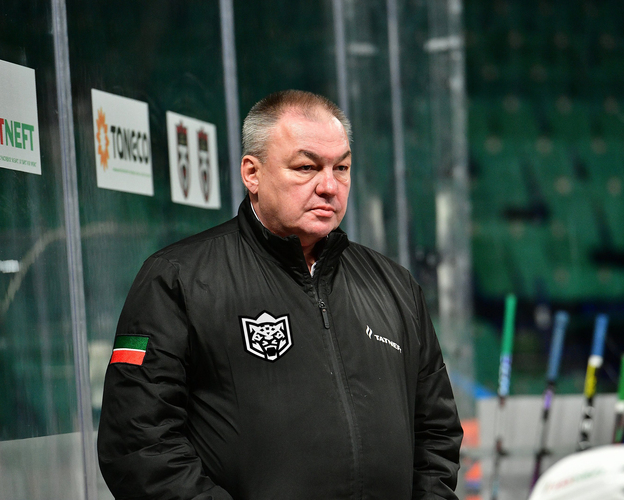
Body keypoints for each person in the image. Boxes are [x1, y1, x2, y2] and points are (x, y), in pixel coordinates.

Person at [97, 89, 463, 500]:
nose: (330, 186)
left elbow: (437, 434)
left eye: (341, 168)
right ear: (252, 173)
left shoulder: (395, 286)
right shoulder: (177, 279)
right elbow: (138, 445)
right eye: (307, 167)